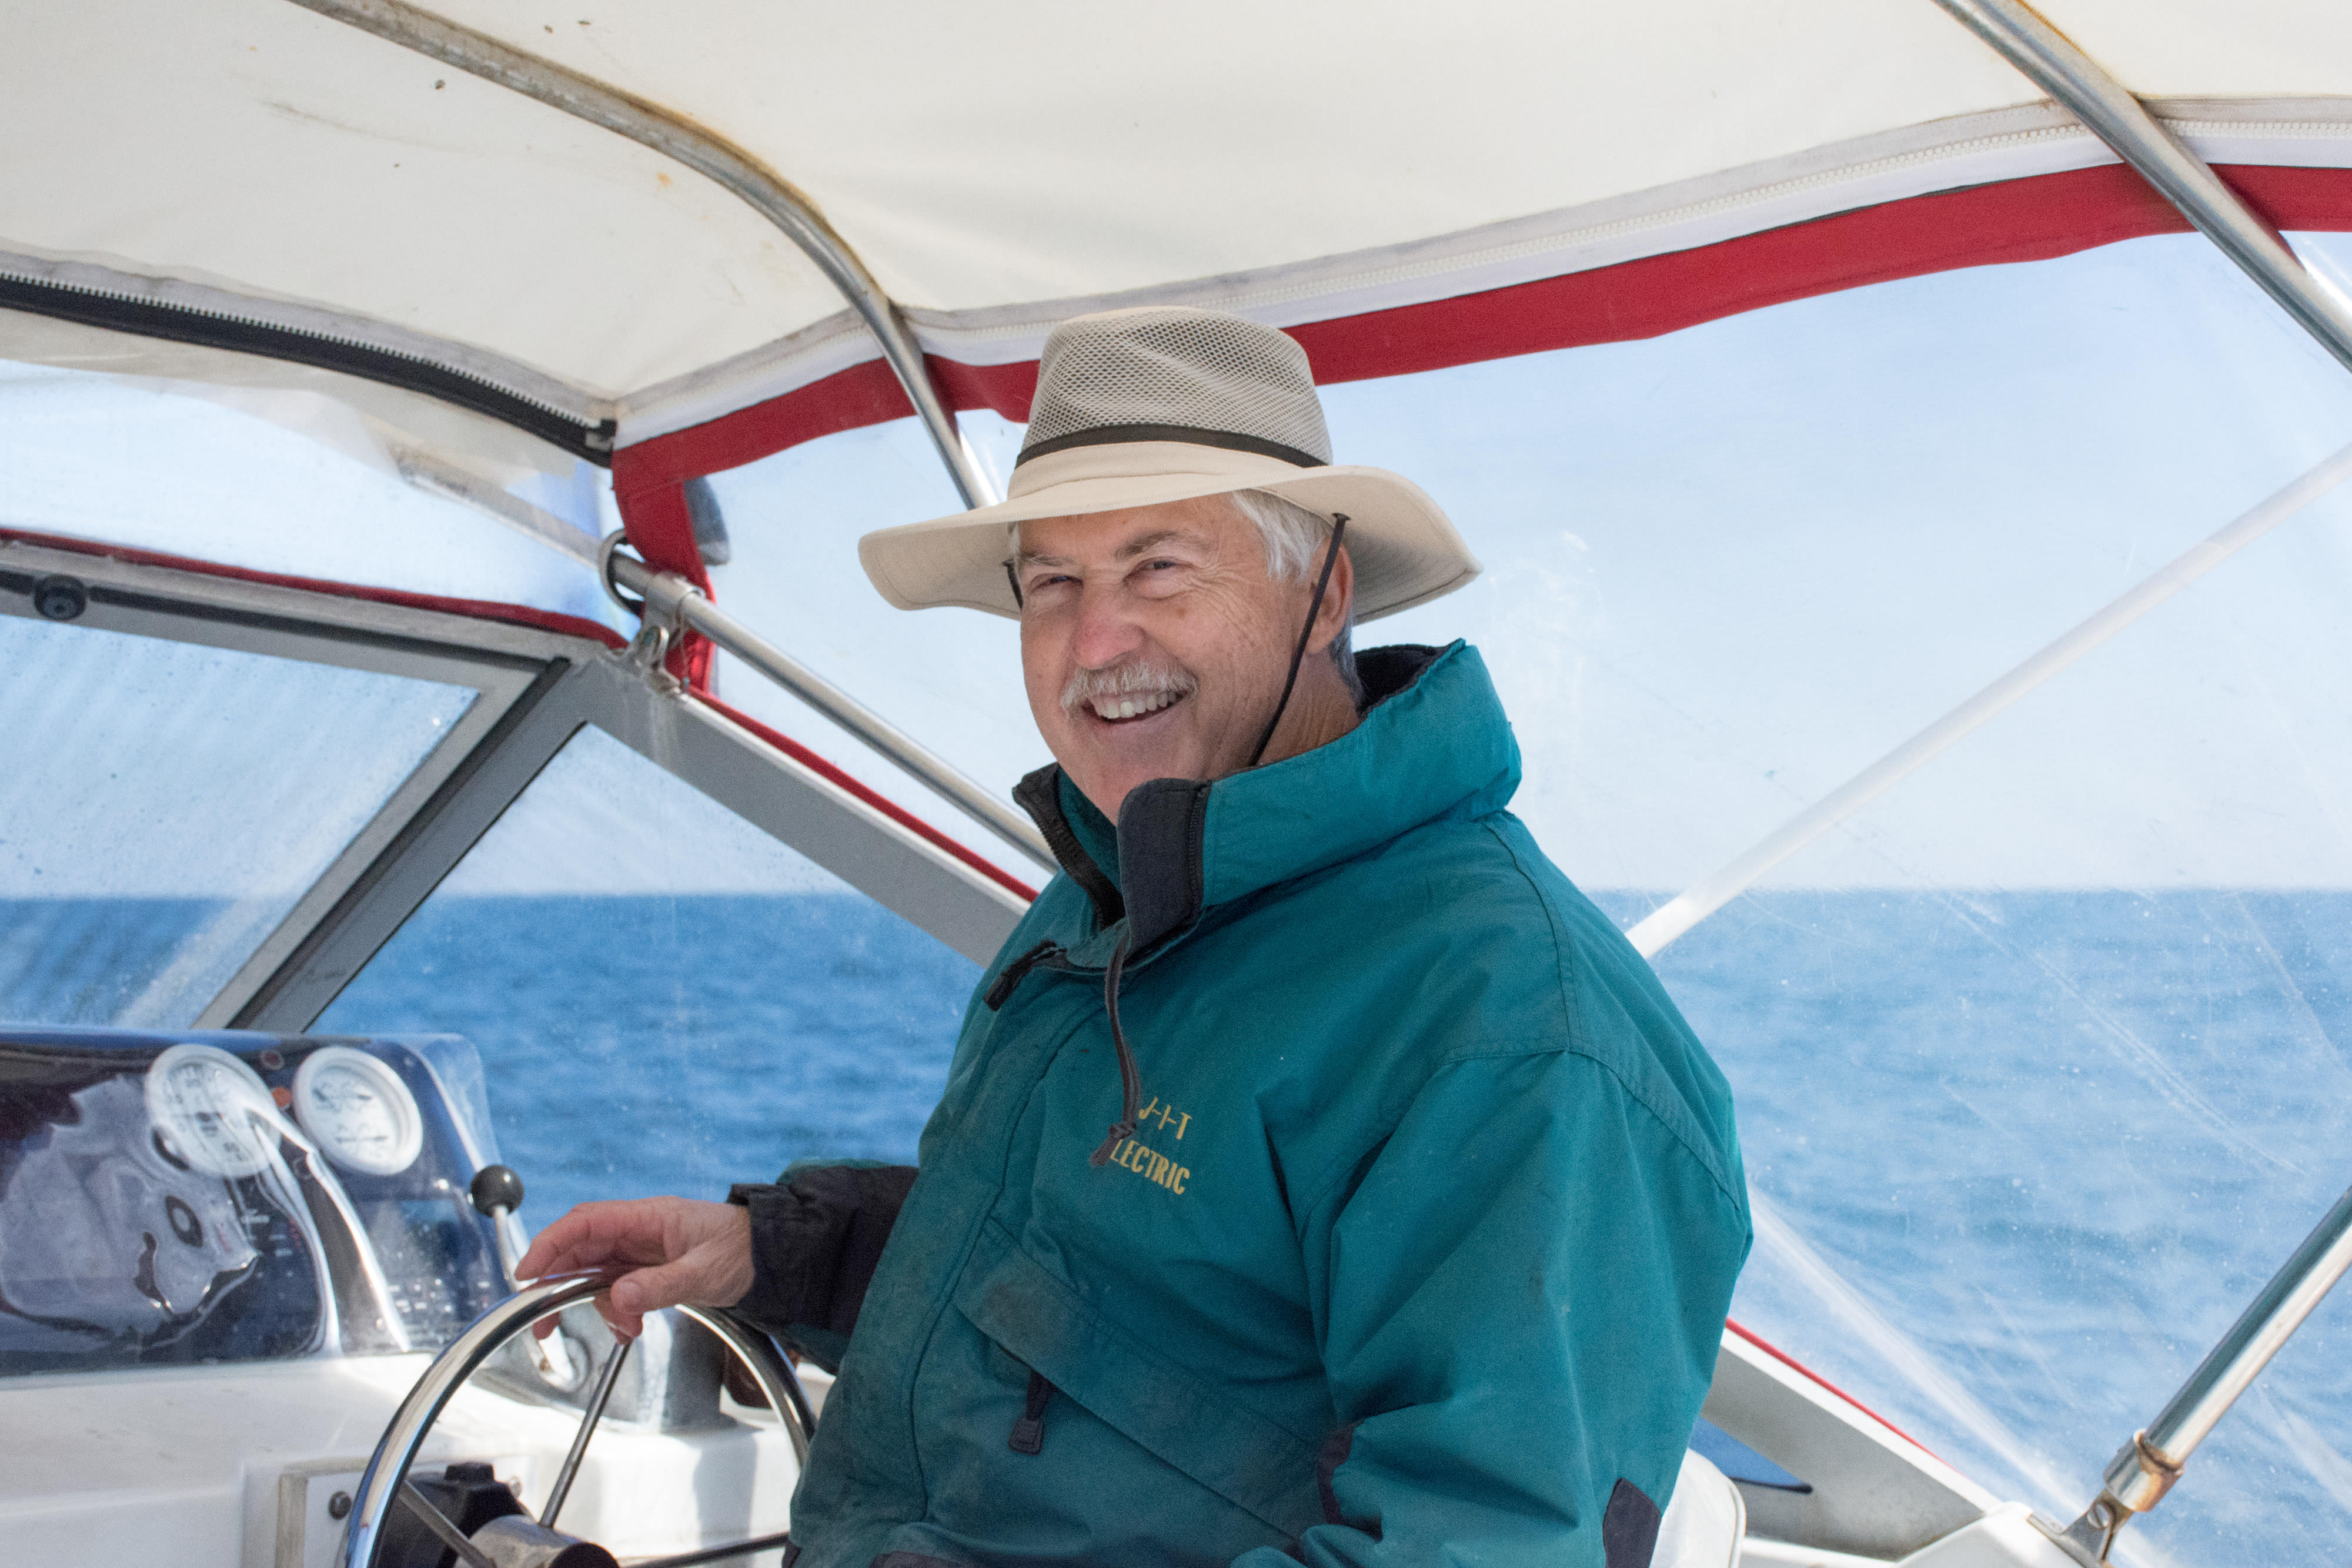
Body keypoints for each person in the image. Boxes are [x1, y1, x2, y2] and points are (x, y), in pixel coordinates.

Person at [519, 306, 1750, 1568]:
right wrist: (779, 1253)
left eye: (1158, 566)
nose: (1095, 643)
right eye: (1053, 582)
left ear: (1319, 592)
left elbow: (1486, 1543)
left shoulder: (1511, 1030)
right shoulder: (1111, 897)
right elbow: (1114, 1283)